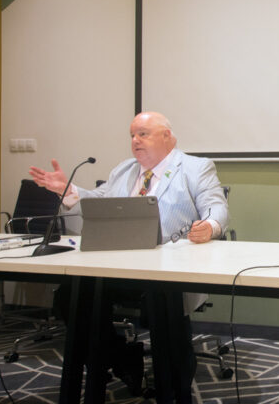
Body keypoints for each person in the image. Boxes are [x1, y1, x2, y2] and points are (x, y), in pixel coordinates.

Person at [30, 111, 229, 402]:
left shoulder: (195, 168)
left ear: (167, 137)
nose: (135, 141)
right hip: (117, 265)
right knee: (71, 295)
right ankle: (121, 358)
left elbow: (216, 206)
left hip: (167, 271)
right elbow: (99, 201)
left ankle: (174, 388)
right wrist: (69, 191)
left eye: (143, 134)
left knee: (163, 303)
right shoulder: (123, 170)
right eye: (132, 135)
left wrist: (209, 226)